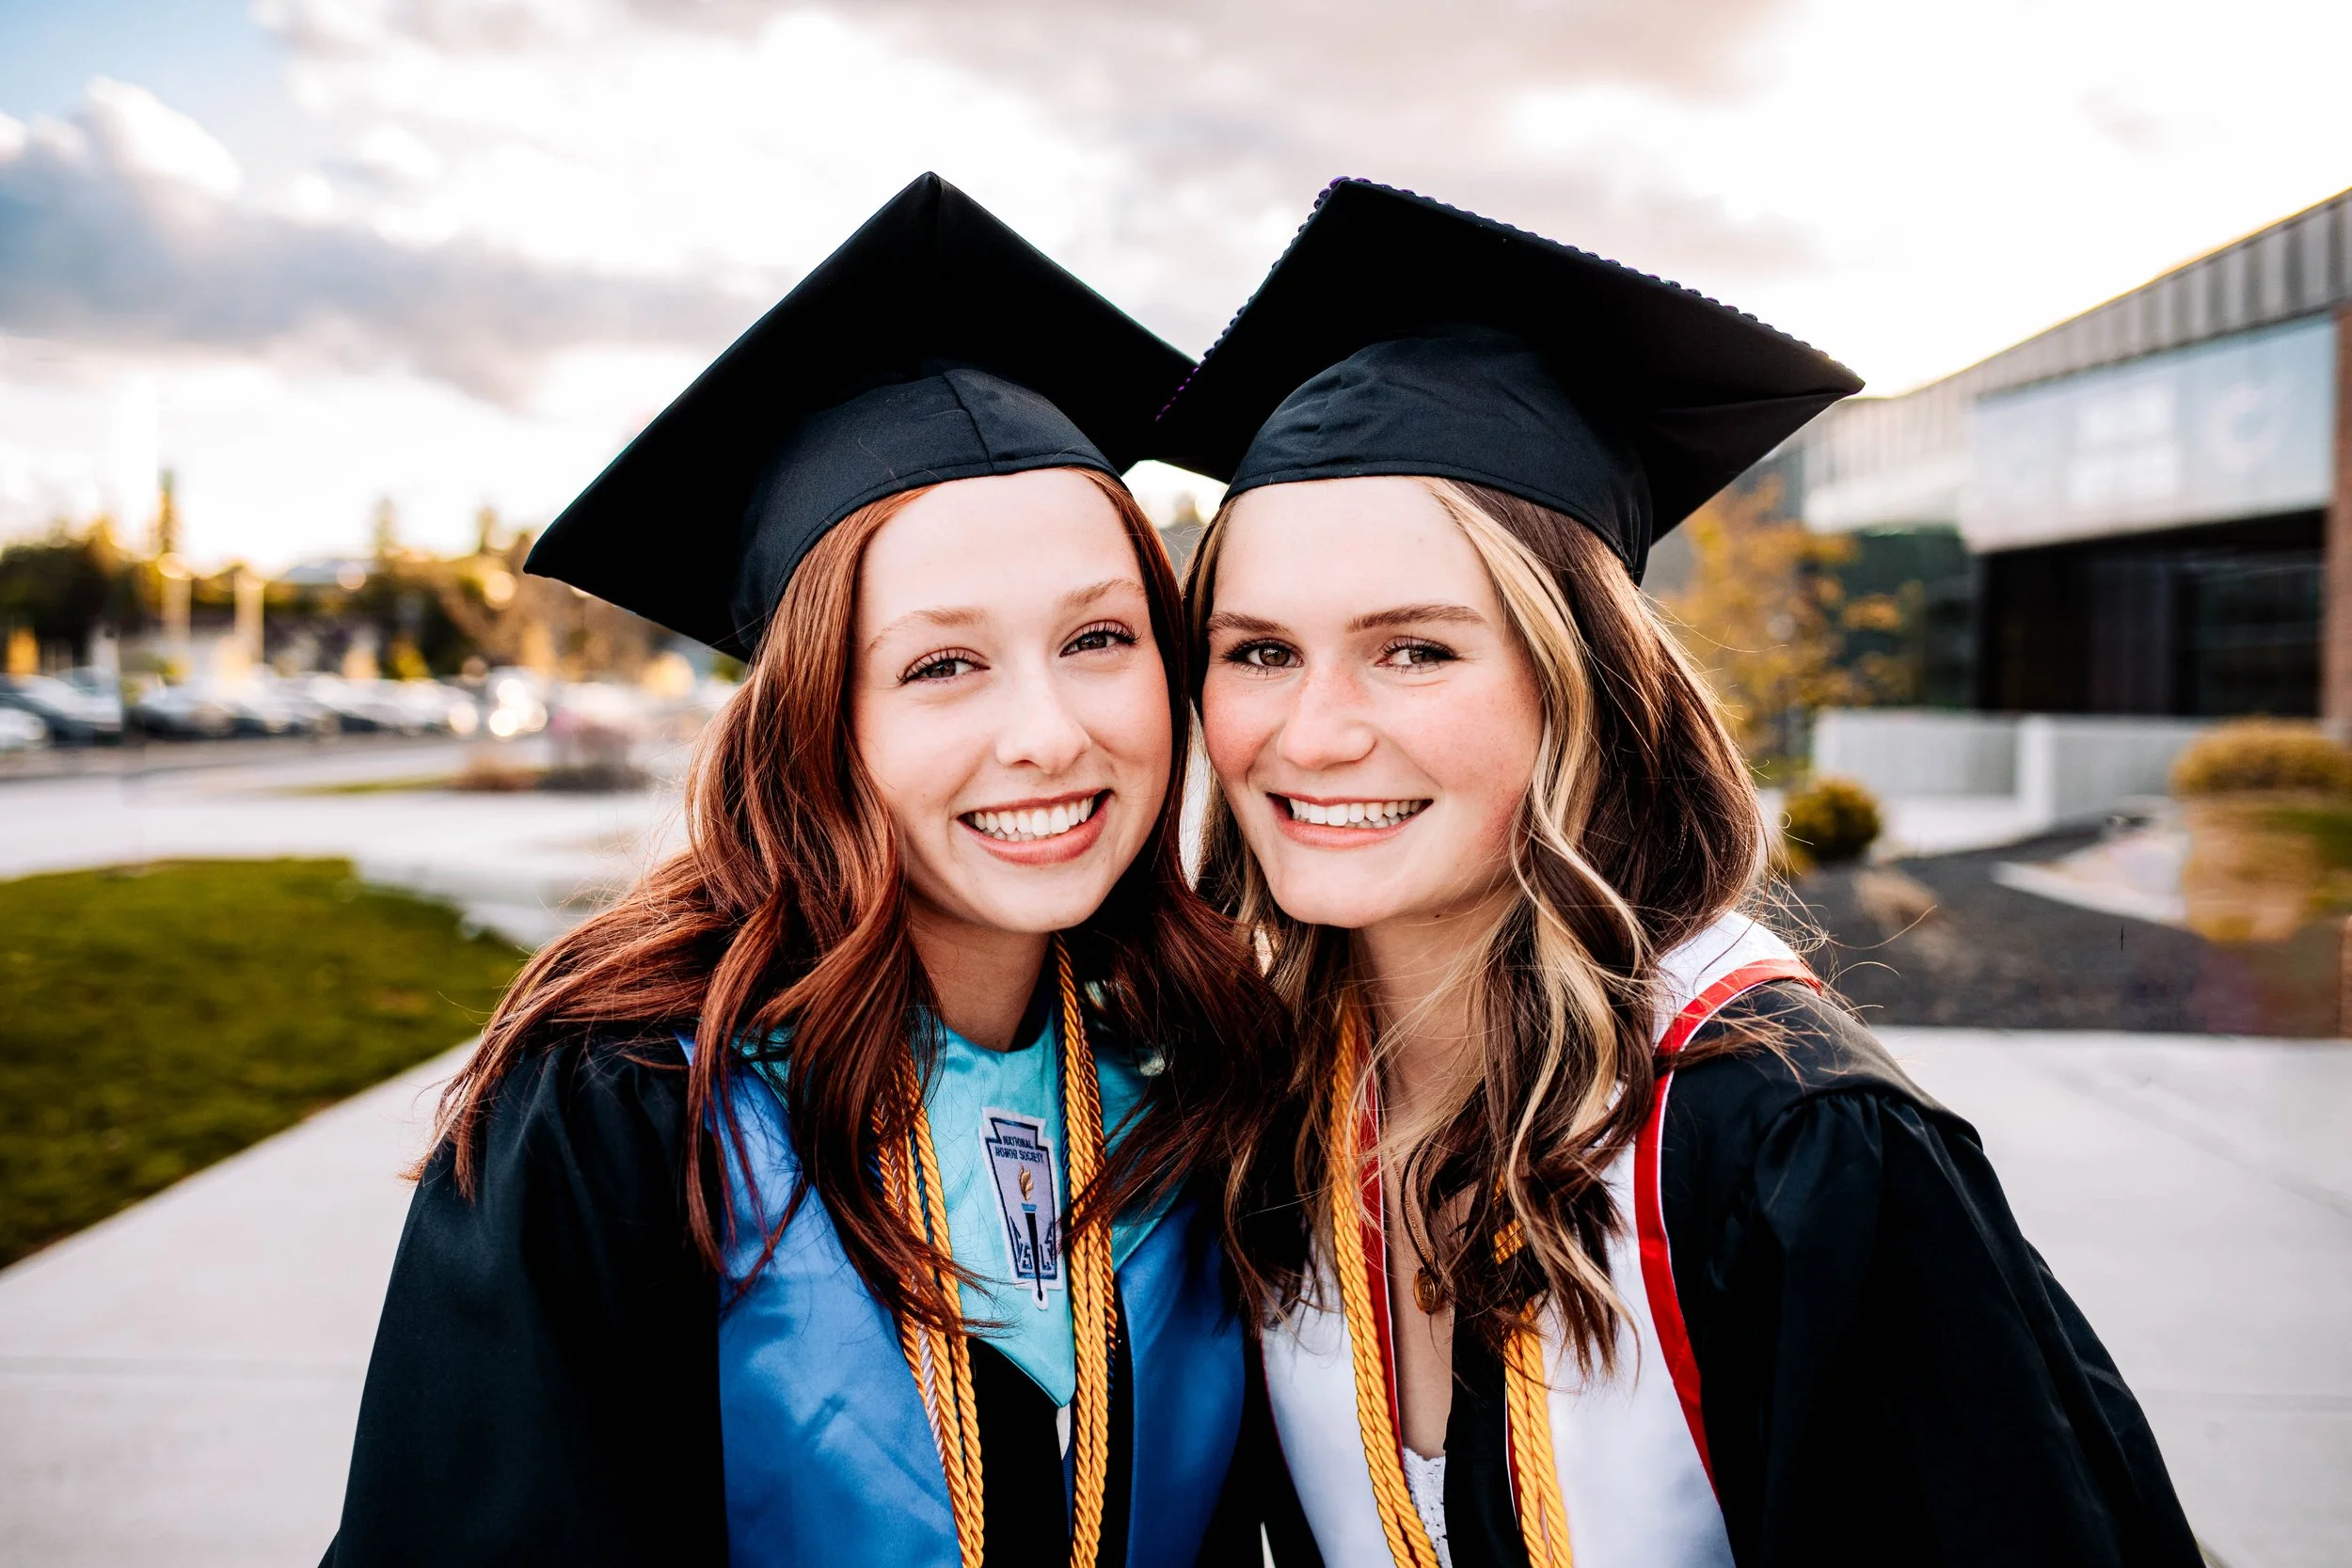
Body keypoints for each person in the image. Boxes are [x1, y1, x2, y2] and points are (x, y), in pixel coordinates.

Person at [1158, 180, 2203, 1568]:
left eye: (1416, 647)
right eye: (1260, 650)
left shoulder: (1786, 1141)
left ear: (1579, 680)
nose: (1314, 729)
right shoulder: (1263, 1101)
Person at [322, 174, 1280, 1568]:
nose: (1049, 733)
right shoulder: (626, 1109)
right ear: (814, 716)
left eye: (1100, 637)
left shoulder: (1194, 1076)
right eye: (943, 664)